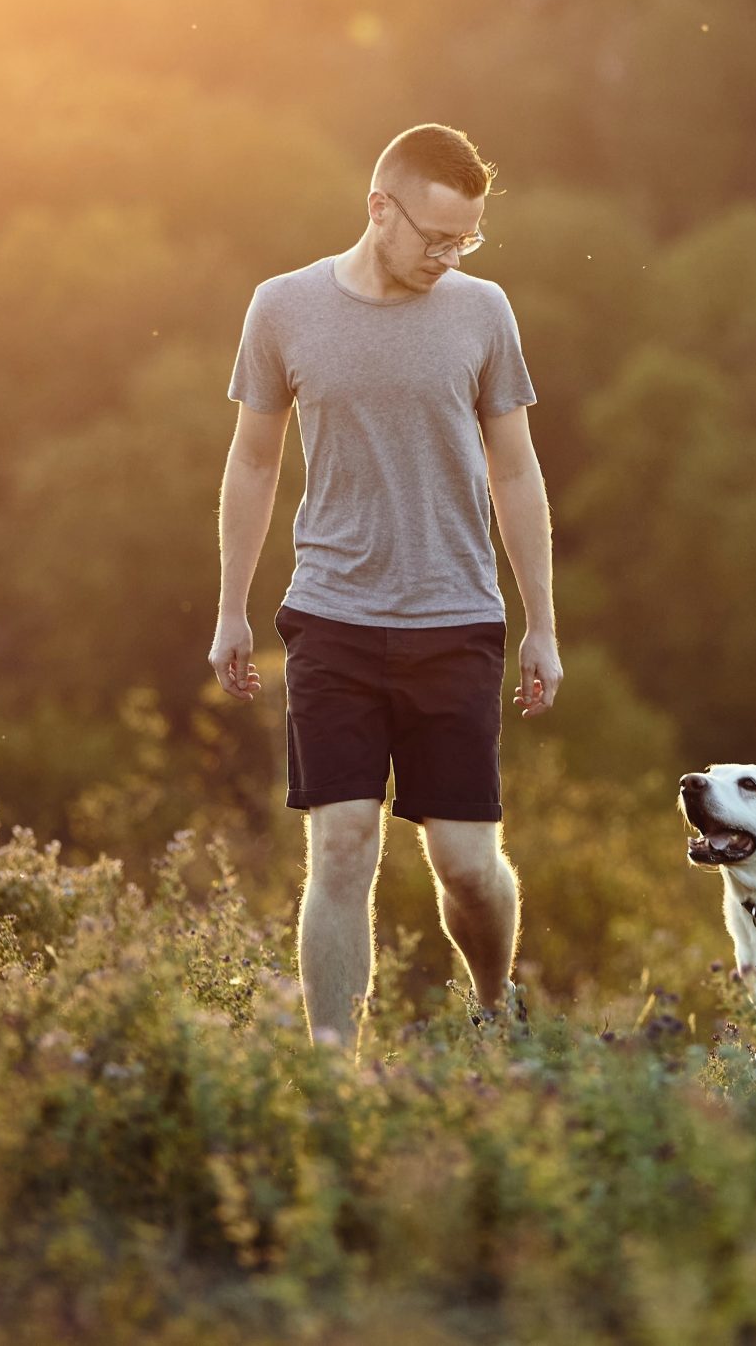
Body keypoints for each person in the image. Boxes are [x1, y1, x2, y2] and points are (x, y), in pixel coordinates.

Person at [208, 123, 561, 1053]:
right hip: (332, 616)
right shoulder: (282, 308)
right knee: (343, 845)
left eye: (465, 241)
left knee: (467, 867)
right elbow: (251, 461)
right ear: (379, 208)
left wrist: (542, 627)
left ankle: (494, 1008)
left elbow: (516, 472)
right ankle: (332, 1067)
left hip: (458, 618)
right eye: (435, 238)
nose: (448, 259)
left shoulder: (483, 311)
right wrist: (231, 608)